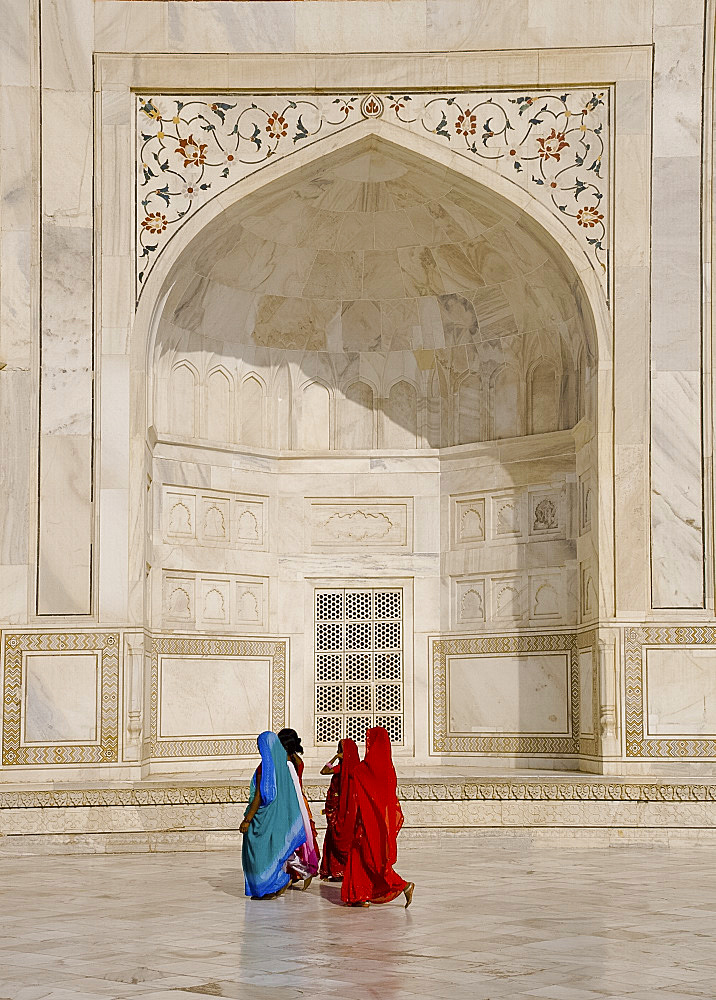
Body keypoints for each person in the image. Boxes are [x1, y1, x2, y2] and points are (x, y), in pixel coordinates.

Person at [341, 726, 415, 908]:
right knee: (365, 857)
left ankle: (401, 885)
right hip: (379, 823)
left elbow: (352, 772)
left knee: (369, 858)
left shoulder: (366, 769)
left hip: (367, 823)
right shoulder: (388, 769)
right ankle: (361, 894)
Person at [239, 730, 306, 900]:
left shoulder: (266, 766)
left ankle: (267, 887)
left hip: (263, 817)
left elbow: (262, 795)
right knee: (273, 852)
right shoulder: (282, 765)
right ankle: (272, 886)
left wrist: (247, 820)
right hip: (278, 818)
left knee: (259, 854)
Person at [277, 727, 320, 889]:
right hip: (301, 801)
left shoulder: (285, 762)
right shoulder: (297, 760)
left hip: (290, 803)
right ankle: (297, 873)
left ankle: (299, 872)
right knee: (299, 839)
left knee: (288, 840)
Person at [319, 738, 360, 881]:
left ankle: (345, 870)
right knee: (332, 836)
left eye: (340, 751)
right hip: (334, 808)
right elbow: (323, 771)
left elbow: (324, 771)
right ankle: (336, 870)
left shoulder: (352, 769)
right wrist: (335, 757)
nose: (338, 753)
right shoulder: (341, 767)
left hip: (345, 810)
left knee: (343, 838)